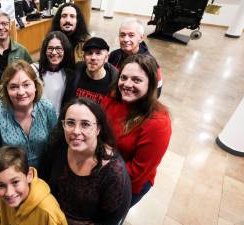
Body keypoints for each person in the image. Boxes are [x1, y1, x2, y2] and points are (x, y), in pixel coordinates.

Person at [41, 97, 131, 225]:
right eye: (70, 123)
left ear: (98, 129)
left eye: (85, 124)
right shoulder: (58, 145)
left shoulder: (115, 173)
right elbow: (43, 180)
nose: (76, 131)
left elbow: (110, 220)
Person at [101, 54, 172, 206]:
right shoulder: (112, 98)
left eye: (137, 80)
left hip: (127, 183)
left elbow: (138, 172)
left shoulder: (158, 123)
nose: (127, 84)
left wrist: (100, 167)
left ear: (150, 84)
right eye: (123, 77)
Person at [0, 60, 57, 169]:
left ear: (35, 85)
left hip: (47, 173)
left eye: (26, 84)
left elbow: (56, 144)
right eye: (14, 87)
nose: (21, 92)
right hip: (13, 178)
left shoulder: (47, 107)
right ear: (6, 89)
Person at [0, 145, 68, 225]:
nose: (9, 193)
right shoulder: (3, 196)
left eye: (15, 182)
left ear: (29, 175)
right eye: (1, 185)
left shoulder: (49, 213)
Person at [108, 17, 163, 97]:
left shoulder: (150, 63)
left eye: (131, 35)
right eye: (122, 35)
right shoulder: (114, 55)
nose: (125, 39)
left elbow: (156, 92)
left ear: (141, 38)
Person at [64, 37, 119, 104]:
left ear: (106, 58)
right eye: (89, 53)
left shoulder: (113, 83)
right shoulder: (75, 76)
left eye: (98, 53)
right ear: (84, 57)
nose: (93, 58)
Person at [32, 31, 75, 114]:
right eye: (50, 48)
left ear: (65, 50)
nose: (54, 52)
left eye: (59, 48)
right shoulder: (34, 70)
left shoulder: (67, 74)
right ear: (45, 50)